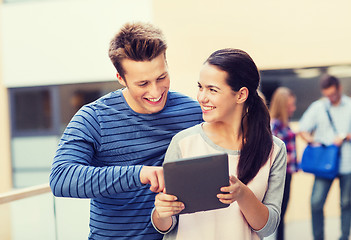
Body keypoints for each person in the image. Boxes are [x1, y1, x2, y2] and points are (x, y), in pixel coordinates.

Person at [49, 22, 203, 240]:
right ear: (121, 79)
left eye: (162, 77)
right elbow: (61, 178)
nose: (156, 91)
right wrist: (140, 174)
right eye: (143, 83)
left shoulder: (192, 112)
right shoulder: (94, 118)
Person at [151, 48, 287, 240]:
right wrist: (161, 213)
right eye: (200, 87)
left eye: (212, 90)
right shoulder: (183, 143)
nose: (201, 97)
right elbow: (167, 225)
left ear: (241, 95)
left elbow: (267, 227)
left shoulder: (274, 150)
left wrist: (241, 194)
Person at [299, 74, 351, 240]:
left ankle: (343, 236)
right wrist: (313, 141)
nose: (330, 98)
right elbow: (303, 129)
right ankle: (318, 237)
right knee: (316, 203)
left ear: (339, 89)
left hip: (347, 164)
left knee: (346, 204)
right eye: (327, 95)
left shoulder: (350, 106)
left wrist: (345, 137)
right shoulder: (318, 107)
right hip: (324, 164)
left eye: (333, 94)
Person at [269, 87, 298, 240]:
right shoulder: (274, 126)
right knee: (278, 214)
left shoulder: (285, 124)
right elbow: (272, 153)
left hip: (288, 173)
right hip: (281, 175)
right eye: (290, 106)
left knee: (282, 215)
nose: (293, 109)